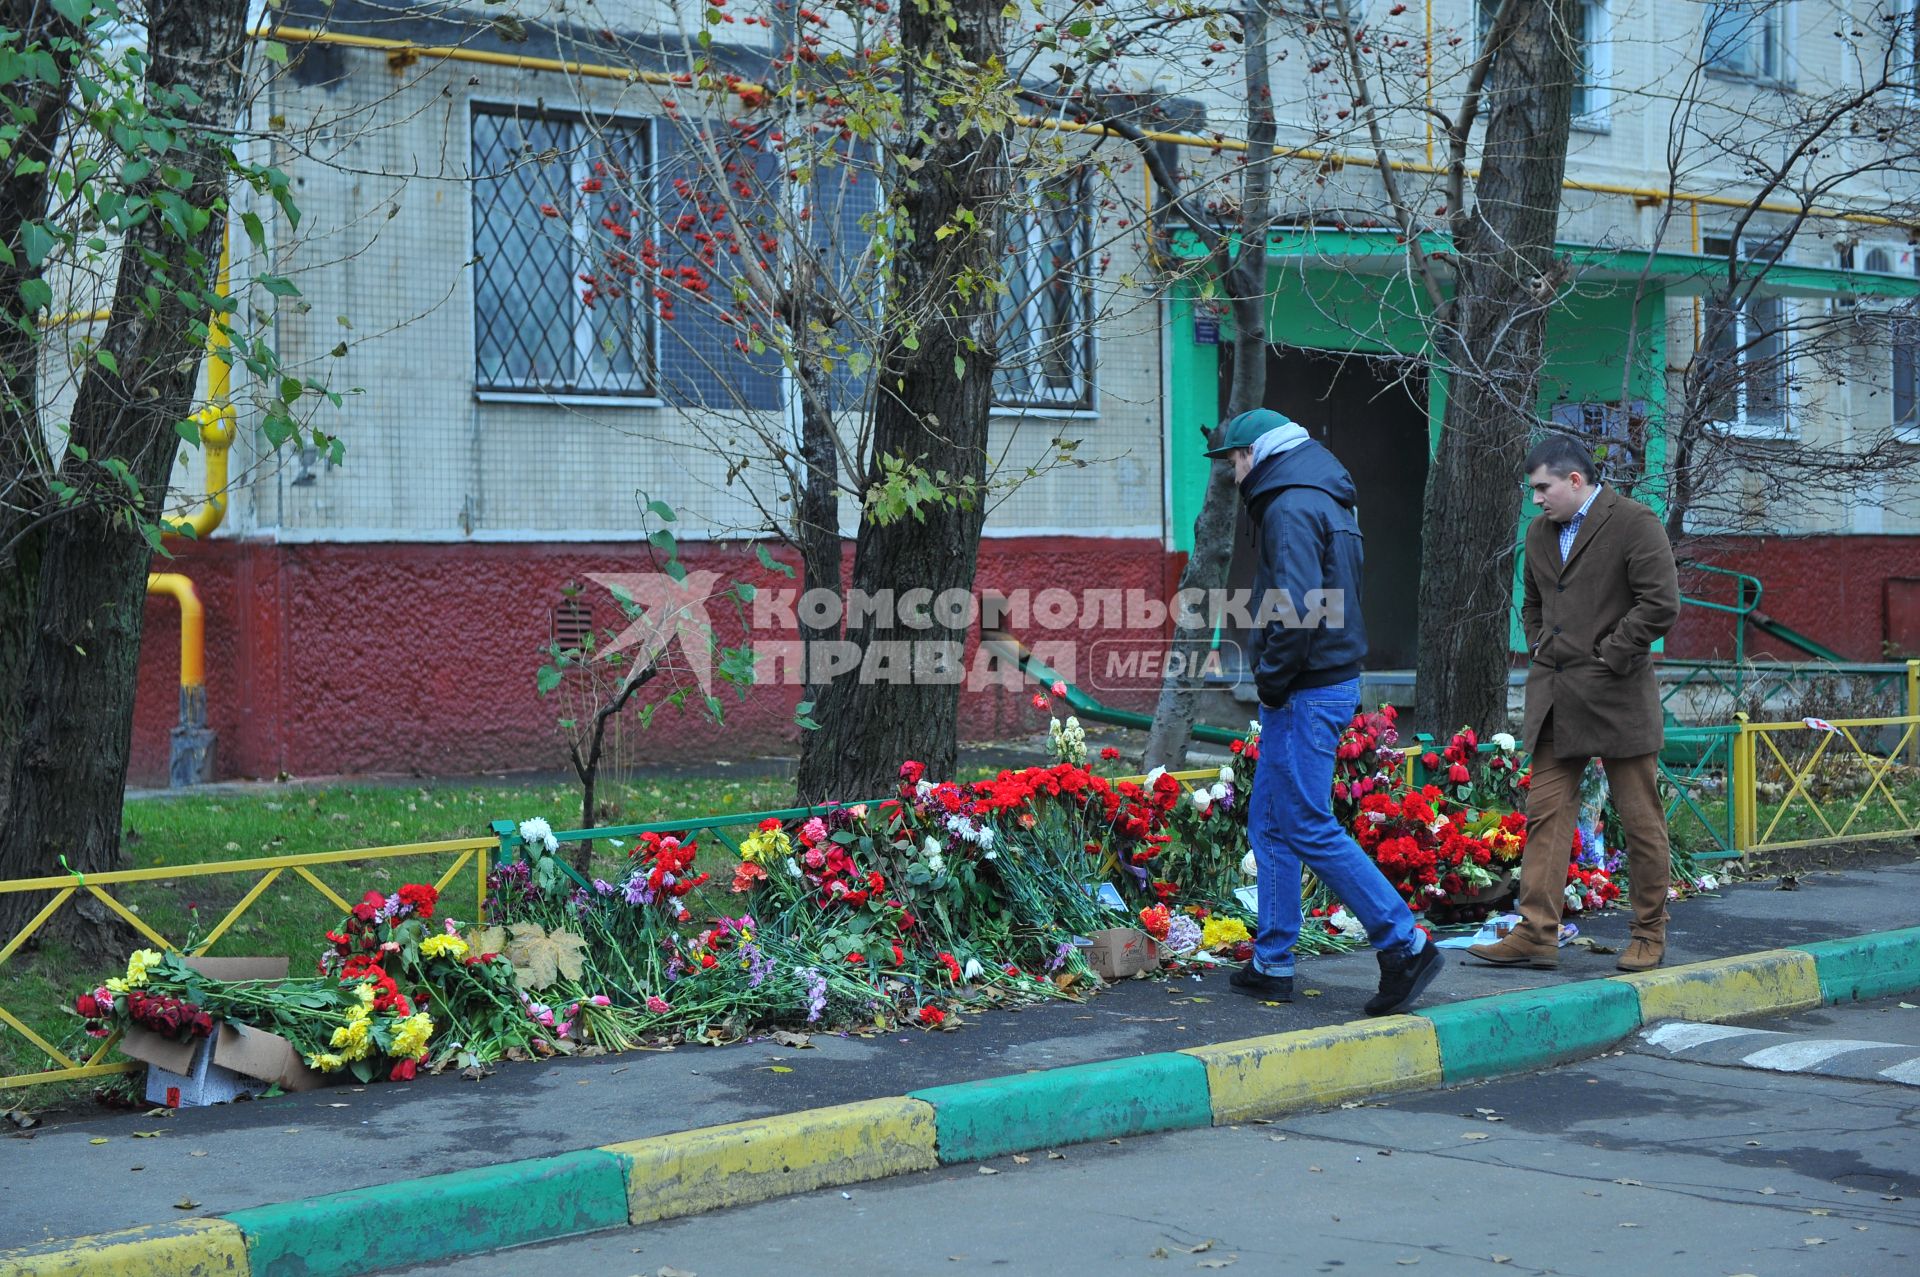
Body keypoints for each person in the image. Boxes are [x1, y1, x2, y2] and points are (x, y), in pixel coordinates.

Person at [1205, 408, 1444, 1017]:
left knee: (1306, 823)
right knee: (1271, 820)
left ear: (1257, 454)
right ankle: (1273, 960)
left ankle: (1405, 943)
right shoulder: (1320, 495)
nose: (1233, 475)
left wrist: (1272, 680)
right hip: (1319, 682)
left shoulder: (1289, 507)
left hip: (1307, 687)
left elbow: (1297, 609)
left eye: (1234, 460)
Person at [1469, 434, 1679, 974]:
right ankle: (1536, 932)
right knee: (1545, 818)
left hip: (1616, 697)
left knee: (1640, 822)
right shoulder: (1540, 533)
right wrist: (1537, 639)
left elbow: (1661, 604)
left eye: (1543, 488)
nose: (1536, 499)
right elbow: (1535, 601)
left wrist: (1610, 653)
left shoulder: (1634, 521)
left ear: (1576, 481)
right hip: (1556, 701)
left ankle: (1648, 934)